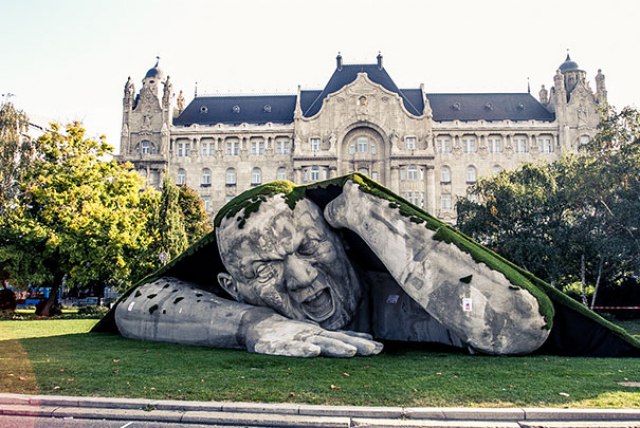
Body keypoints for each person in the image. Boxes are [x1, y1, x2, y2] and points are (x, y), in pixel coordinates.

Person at [114, 178, 550, 357]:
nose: (300, 277)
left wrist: (375, 218)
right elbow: (134, 305)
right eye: (265, 269)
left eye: (309, 246)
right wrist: (251, 326)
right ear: (233, 287)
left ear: (340, 240)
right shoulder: (242, 305)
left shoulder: (412, 299)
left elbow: (522, 326)